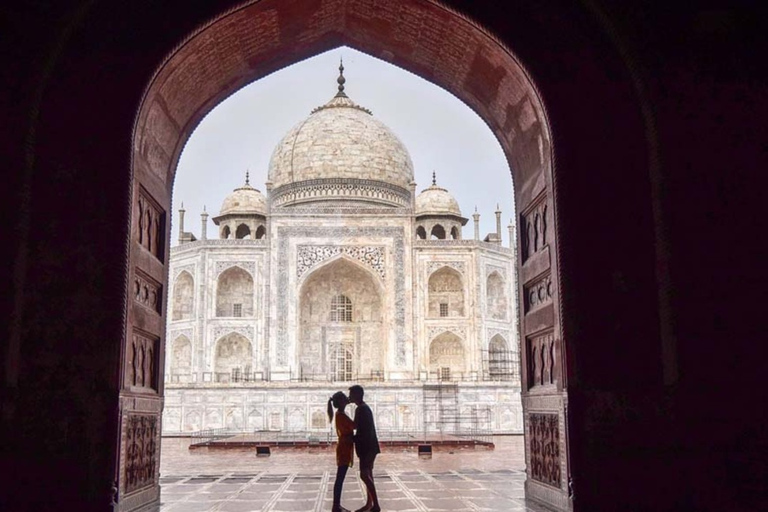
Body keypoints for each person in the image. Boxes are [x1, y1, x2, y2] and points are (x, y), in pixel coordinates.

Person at [349, 384, 381, 512]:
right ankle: (370, 503)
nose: (349, 397)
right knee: (369, 474)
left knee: (364, 475)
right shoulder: (364, 408)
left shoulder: (361, 409)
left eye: (351, 395)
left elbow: (354, 426)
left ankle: (376, 505)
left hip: (366, 447)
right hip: (370, 446)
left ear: (357, 395)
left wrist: (342, 411)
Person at [328, 391, 354, 512]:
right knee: (340, 478)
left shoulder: (341, 413)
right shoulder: (341, 415)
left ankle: (336, 505)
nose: (347, 398)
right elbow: (354, 425)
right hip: (344, 448)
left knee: (340, 477)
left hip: (344, 446)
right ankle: (336, 505)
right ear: (341, 402)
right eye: (345, 398)